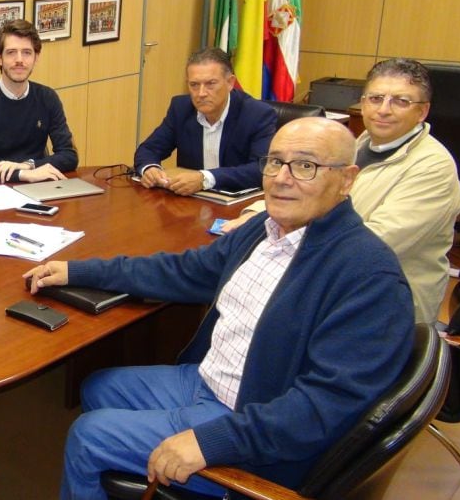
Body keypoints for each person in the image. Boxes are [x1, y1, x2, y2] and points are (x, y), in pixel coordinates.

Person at [24, 117, 414, 499]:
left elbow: (323, 409)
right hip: (212, 382)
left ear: (346, 179)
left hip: (259, 432)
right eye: (275, 161)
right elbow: (182, 270)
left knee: (89, 436)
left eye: (306, 166)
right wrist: (78, 269)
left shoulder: (368, 277)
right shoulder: (265, 228)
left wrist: (211, 442)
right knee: (99, 387)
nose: (281, 177)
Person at [223, 58, 460, 324]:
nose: (383, 110)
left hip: (383, 304)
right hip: (332, 276)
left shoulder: (433, 169)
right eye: (375, 98)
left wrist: (277, 234)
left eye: (401, 101)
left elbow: (375, 243)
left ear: (422, 111)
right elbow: (307, 190)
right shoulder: (362, 144)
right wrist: (255, 215)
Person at [133, 47, 276, 195]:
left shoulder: (257, 114)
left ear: (230, 82)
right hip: (191, 201)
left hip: (236, 202)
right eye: (194, 85)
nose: (201, 93)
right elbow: (149, 149)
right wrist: (150, 168)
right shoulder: (181, 109)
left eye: (210, 84)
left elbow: (262, 169)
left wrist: (205, 179)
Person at [0, 19, 78, 186]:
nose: (19, 60)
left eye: (26, 52)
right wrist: (22, 174)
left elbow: (69, 155)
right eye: (11, 52)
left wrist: (28, 166)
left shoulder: (47, 98)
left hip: (38, 188)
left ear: (36, 58)